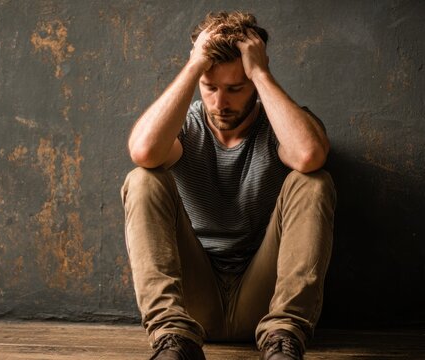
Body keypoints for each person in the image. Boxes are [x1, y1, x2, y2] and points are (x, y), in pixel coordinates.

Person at [121, 11, 337, 360]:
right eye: (210, 88)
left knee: (313, 182)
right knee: (142, 178)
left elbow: (309, 155)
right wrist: (194, 66)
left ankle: (285, 338)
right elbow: (144, 151)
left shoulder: (279, 124)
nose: (220, 103)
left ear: (252, 82)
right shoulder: (187, 126)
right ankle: (173, 341)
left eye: (235, 88)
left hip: (264, 303)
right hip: (193, 307)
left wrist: (261, 72)